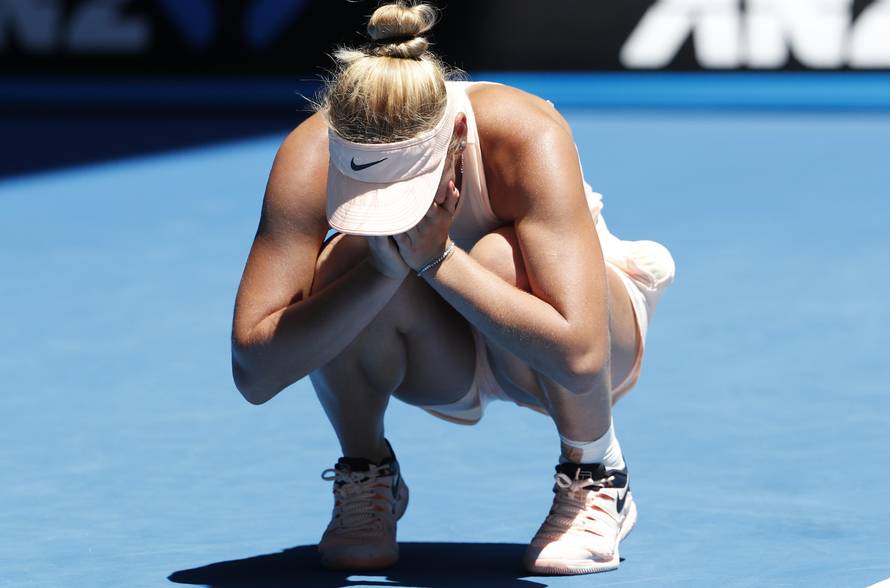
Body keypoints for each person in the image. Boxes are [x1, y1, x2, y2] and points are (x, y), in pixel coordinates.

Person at [231, 1, 675, 576]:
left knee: (497, 257)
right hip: (437, 350)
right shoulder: (308, 154)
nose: (393, 215)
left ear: (457, 137)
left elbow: (584, 356)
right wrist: (382, 271)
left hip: (574, 349)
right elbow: (254, 375)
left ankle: (596, 473)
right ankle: (368, 472)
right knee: (345, 262)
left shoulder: (525, 132)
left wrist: (438, 258)